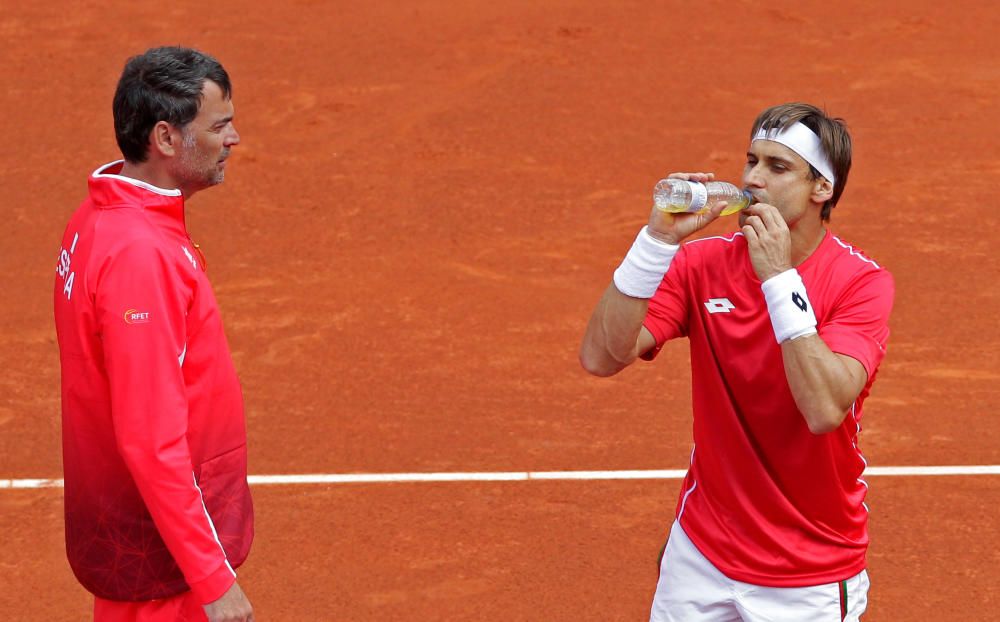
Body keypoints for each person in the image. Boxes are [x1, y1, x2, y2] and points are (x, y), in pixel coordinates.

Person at [579, 102, 894, 621]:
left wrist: (778, 279)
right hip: (701, 553)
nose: (752, 179)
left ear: (822, 188)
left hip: (809, 569)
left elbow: (823, 410)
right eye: (751, 161)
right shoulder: (700, 265)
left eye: (777, 166)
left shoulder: (860, 283)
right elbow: (600, 356)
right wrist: (656, 243)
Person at [53, 47, 254, 622]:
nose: (233, 138)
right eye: (217, 126)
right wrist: (212, 580)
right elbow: (149, 438)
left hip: (143, 539)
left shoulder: (98, 216)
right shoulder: (141, 256)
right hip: (163, 558)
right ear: (166, 138)